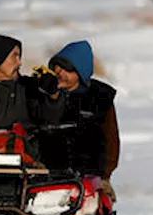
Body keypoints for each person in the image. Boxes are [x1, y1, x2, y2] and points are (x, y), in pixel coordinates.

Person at [33, 40, 121, 182]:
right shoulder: (42, 93)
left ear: (80, 71)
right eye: (57, 67)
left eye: (67, 69)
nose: (59, 73)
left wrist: (105, 177)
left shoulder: (100, 98)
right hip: (46, 176)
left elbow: (111, 140)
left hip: (90, 178)